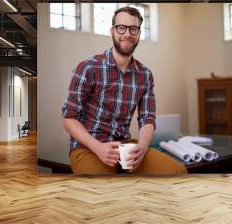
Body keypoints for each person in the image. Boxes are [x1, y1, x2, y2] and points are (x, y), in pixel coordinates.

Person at [62, 7, 187, 175]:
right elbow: (69, 118)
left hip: (124, 146)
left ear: (138, 33)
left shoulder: (145, 75)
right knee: (107, 193)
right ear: (112, 31)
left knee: (178, 173)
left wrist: (142, 146)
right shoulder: (88, 67)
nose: (127, 33)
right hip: (88, 147)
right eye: (121, 27)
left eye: (133, 29)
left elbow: (147, 118)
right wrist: (98, 148)